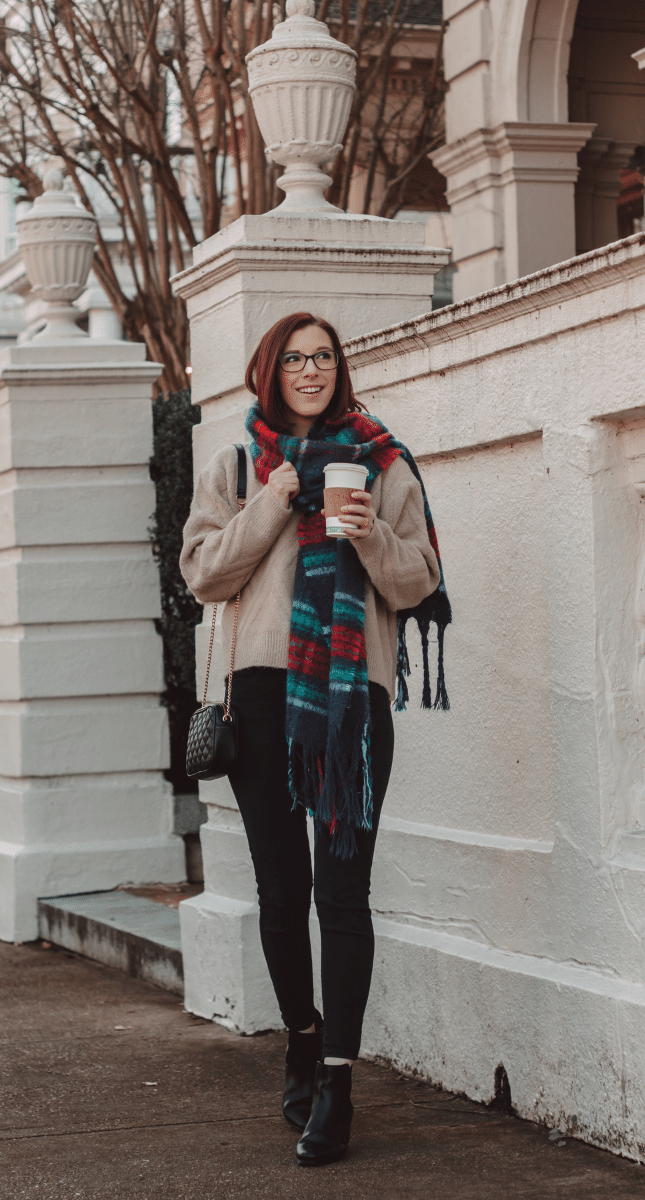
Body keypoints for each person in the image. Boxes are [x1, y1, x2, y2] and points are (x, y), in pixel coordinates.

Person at [180, 311, 450, 1166]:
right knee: (280, 889)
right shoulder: (236, 464)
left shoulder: (384, 460)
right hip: (260, 700)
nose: (310, 370)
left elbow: (418, 582)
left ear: (341, 367)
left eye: (324, 357)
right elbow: (203, 572)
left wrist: (367, 534)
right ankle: (302, 1032)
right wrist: (272, 503)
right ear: (270, 370)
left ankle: (336, 1081)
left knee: (343, 894)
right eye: (294, 358)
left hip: (347, 705)